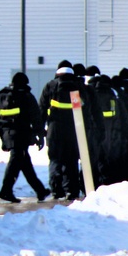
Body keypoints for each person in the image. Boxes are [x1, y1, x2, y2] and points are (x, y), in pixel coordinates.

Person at [0, 72, 51, 203]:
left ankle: (40, 190)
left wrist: (3, 137)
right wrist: (41, 136)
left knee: (25, 163)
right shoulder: (26, 96)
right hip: (21, 135)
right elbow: (36, 119)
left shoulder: (1, 96)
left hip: (7, 133)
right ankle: (5, 190)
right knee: (16, 161)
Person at [38, 60, 87, 200]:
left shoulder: (50, 86)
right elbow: (87, 108)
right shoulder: (78, 86)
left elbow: (41, 109)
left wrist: (40, 131)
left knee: (55, 160)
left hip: (54, 130)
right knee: (71, 161)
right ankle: (71, 190)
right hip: (74, 130)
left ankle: (56, 190)